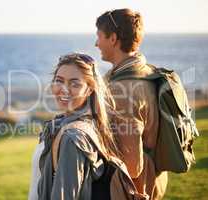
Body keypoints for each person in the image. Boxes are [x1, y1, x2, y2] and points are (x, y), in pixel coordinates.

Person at [29, 53, 146, 200]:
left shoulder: (73, 138)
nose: (64, 89)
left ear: (89, 89)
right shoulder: (86, 122)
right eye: (59, 81)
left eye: (74, 83)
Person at [95, 8, 168, 200]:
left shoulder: (122, 91)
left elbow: (133, 165)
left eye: (99, 36)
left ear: (113, 39)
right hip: (155, 179)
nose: (96, 43)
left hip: (133, 189)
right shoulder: (146, 71)